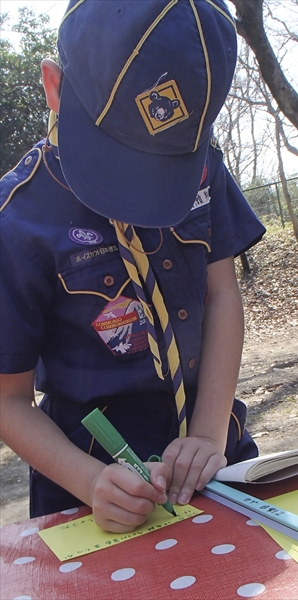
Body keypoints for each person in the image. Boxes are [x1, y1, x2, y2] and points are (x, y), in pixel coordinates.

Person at [0, 0, 265, 533]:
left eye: (164, 172)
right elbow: (8, 399)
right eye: (115, 163)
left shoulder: (205, 164)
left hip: (215, 462)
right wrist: (89, 481)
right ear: (54, 89)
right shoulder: (17, 218)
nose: (141, 199)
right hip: (92, 492)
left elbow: (222, 294)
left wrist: (211, 433)